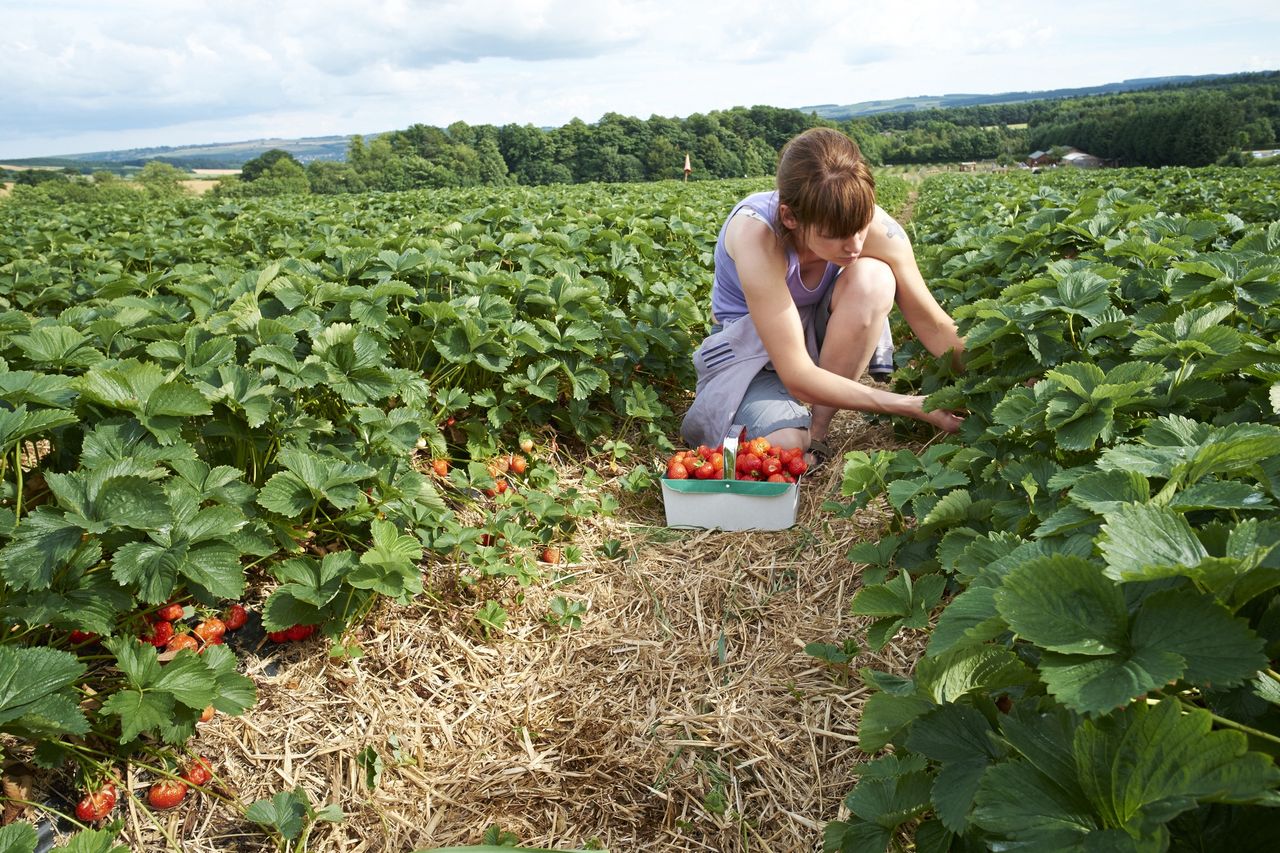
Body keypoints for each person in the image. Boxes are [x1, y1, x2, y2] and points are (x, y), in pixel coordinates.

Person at [679, 127, 965, 467]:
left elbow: (934, 324)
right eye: (836, 236)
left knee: (874, 277)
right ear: (790, 217)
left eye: (861, 227)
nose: (854, 245)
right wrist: (911, 404)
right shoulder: (756, 236)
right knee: (782, 447)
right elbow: (796, 374)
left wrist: (1005, 372)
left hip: (815, 339)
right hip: (753, 356)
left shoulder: (865, 224)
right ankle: (784, 426)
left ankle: (818, 430)